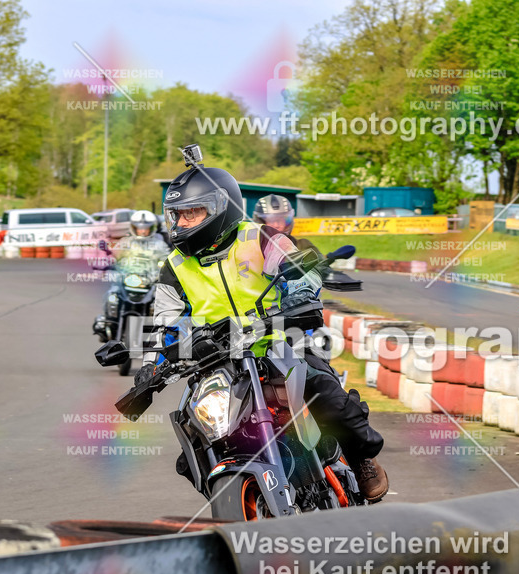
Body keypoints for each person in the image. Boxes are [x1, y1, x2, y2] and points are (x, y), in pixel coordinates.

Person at [138, 162, 389, 502]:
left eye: (192, 213)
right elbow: (164, 320)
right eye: (178, 215)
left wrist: (300, 293)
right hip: (220, 360)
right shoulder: (175, 265)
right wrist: (152, 363)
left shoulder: (258, 238)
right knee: (194, 434)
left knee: (325, 392)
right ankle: (239, 491)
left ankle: (362, 459)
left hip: (279, 341)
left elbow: (298, 268)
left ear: (220, 206)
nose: (182, 223)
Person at [92, 210, 170, 341]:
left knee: (162, 301)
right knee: (111, 294)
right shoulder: (125, 242)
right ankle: (107, 320)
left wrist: (164, 270)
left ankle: (162, 330)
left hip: (150, 281)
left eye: (146, 228)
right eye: (139, 229)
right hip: (126, 280)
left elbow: (167, 260)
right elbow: (115, 256)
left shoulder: (160, 244)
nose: (143, 231)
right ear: (133, 228)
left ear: (152, 228)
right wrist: (108, 261)